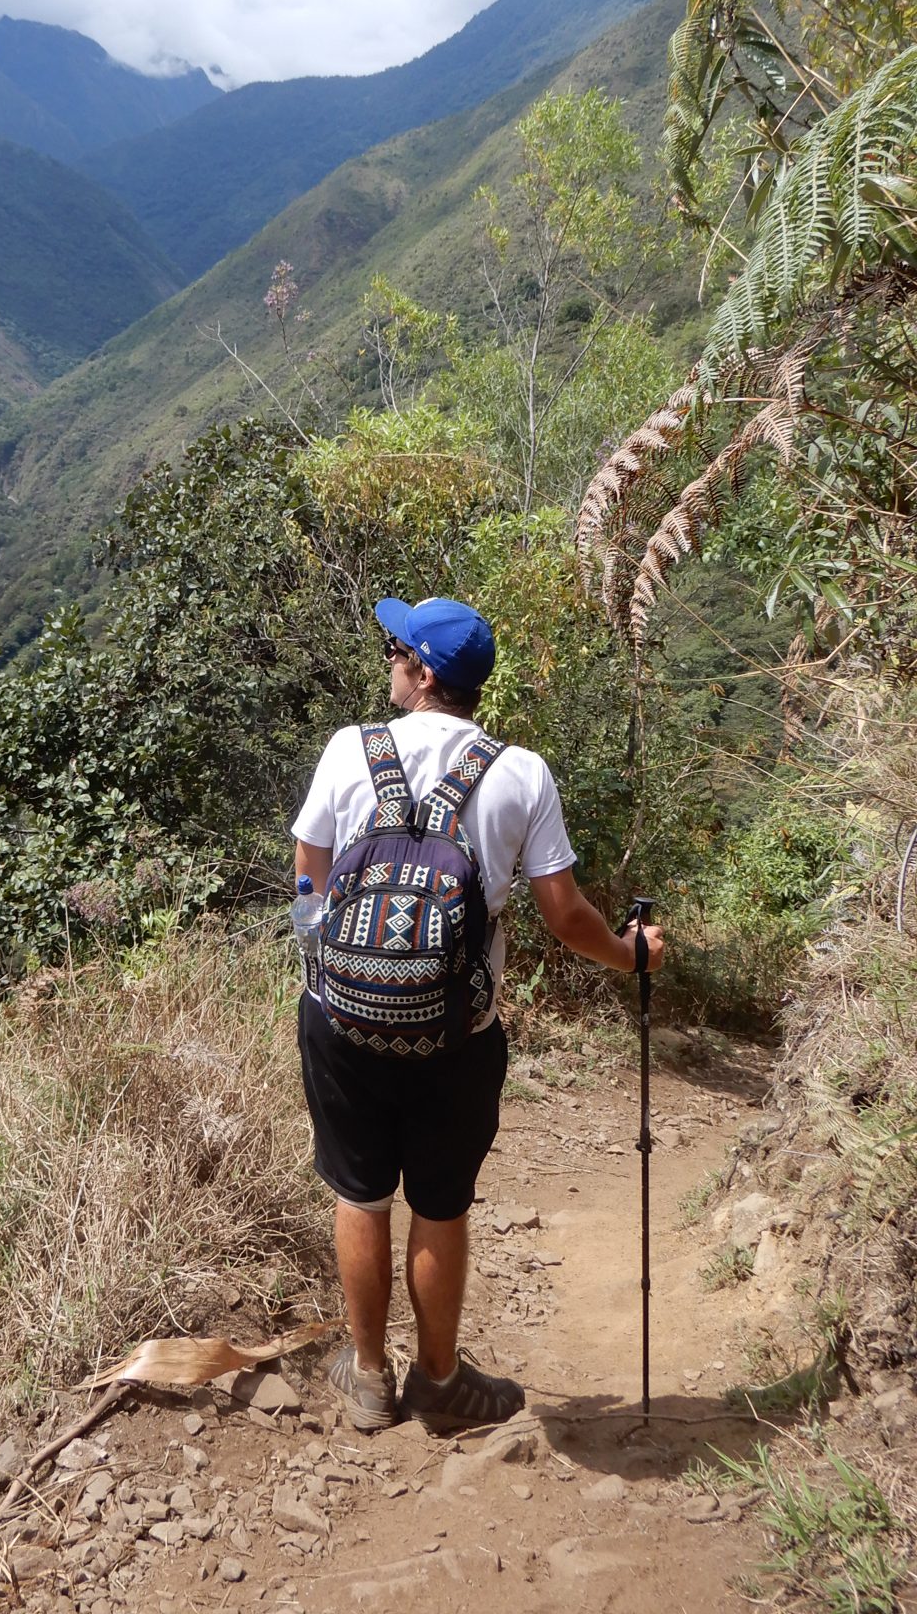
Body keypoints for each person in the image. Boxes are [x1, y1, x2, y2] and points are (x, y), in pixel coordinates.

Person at [291, 594, 665, 1432]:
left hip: (341, 1020)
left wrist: (335, 966)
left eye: (397, 648)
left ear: (424, 674)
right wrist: (633, 953)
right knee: (439, 1202)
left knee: (360, 1194)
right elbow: (567, 918)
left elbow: (308, 875)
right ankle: (439, 1380)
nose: (389, 657)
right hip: (457, 1037)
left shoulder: (350, 750)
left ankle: (367, 1375)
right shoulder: (520, 772)